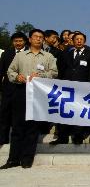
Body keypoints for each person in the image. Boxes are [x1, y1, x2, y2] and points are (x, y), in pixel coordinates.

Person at [1, 29, 57, 169]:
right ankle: (13, 159)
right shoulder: (20, 56)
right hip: (21, 91)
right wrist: (17, 77)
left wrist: (41, 76)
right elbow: (10, 71)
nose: (38, 39)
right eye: (36, 37)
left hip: (38, 93)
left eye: (41, 37)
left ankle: (27, 159)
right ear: (30, 39)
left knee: (32, 128)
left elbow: (54, 72)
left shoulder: (48, 56)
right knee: (17, 126)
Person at [50, 32, 90, 145]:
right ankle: (62, 136)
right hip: (66, 88)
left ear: (84, 41)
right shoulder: (65, 53)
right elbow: (60, 69)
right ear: (73, 41)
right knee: (64, 111)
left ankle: (78, 136)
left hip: (82, 88)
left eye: (81, 39)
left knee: (79, 111)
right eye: (77, 39)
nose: (79, 41)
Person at [0, 32, 28, 146]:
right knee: (4, 114)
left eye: (20, 41)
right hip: (8, 90)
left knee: (21, 116)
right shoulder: (7, 53)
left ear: (25, 41)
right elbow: (1, 71)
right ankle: (3, 139)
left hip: (24, 89)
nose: (18, 43)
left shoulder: (29, 53)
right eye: (16, 41)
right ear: (13, 42)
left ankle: (21, 139)